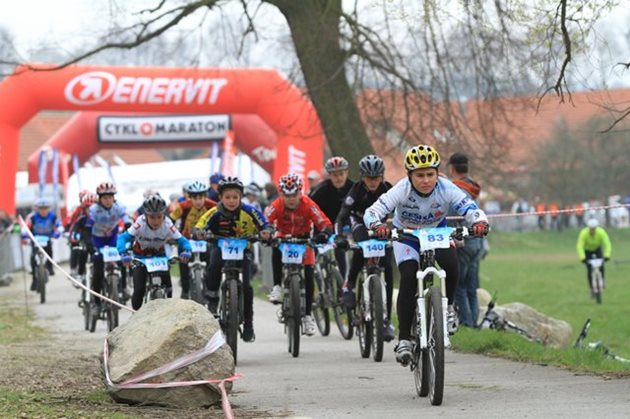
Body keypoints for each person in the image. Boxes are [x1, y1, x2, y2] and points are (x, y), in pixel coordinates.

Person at [363, 145, 490, 365]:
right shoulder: (402, 189)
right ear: (409, 175)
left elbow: (469, 208)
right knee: (409, 275)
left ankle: (449, 308)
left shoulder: (446, 187)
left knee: (451, 264)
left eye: (430, 174)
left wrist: (479, 221)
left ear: (437, 173)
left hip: (435, 232)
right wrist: (377, 225)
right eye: (419, 175)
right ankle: (404, 338)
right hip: (408, 235)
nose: (425, 180)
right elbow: (373, 211)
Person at [195, 177, 271, 342]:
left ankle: (249, 324)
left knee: (247, 286)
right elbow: (201, 224)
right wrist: (199, 231)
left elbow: (264, 223)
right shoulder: (214, 212)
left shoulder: (249, 211)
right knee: (214, 265)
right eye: (227, 197)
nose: (231, 201)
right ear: (221, 198)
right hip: (221, 247)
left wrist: (266, 231)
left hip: (244, 249)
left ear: (241, 197)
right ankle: (213, 297)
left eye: (235, 197)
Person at [335, 155, 395, 341]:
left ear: (382, 176)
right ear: (362, 177)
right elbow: (342, 216)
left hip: (380, 225)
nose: (373, 182)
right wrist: (339, 236)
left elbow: (401, 211)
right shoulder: (355, 191)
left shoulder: (388, 189)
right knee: (362, 248)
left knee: (388, 263)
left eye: (376, 177)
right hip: (359, 222)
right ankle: (349, 285)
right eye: (369, 178)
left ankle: (385, 320)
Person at [265, 173, 333, 336]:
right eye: (287, 195)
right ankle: (277, 287)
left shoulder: (308, 204)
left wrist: (325, 232)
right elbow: (264, 219)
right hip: (284, 238)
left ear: (300, 192)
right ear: (281, 194)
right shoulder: (277, 204)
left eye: (294, 194)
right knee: (275, 247)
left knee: (309, 274)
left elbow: (323, 221)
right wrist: (265, 232)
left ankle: (308, 316)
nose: (291, 199)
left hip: (303, 240)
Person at [118, 194, 192, 310]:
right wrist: (123, 253)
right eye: (152, 217)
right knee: (139, 290)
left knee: (169, 289)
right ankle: (134, 317)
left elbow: (182, 241)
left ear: (164, 215)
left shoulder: (168, 224)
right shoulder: (140, 223)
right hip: (140, 257)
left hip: (159, 257)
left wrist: (187, 251)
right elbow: (123, 238)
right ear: (146, 215)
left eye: (159, 217)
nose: (156, 221)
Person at [447, 152, 484, 328]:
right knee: (471, 287)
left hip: (463, 241)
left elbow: (453, 217)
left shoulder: (456, 190)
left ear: (452, 168)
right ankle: (475, 323)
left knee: (459, 286)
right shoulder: (474, 188)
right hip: (478, 242)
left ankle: (467, 323)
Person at [85, 182, 131, 315]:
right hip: (97, 239)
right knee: (98, 270)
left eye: (110, 197)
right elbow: (88, 229)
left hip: (113, 238)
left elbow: (128, 223)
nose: (108, 200)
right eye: (104, 197)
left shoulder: (118, 207)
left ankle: (123, 287)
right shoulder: (93, 210)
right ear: (99, 198)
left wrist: (128, 238)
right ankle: (97, 302)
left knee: (123, 257)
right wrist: (90, 245)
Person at [169, 180, 217, 299]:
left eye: (201, 197)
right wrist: (170, 235)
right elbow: (170, 221)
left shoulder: (213, 205)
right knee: (184, 265)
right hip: (187, 239)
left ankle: (210, 289)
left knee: (211, 263)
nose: (198, 201)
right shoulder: (183, 206)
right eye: (195, 198)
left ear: (205, 196)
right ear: (190, 197)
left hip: (206, 239)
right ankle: (185, 290)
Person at [309, 156, 355, 279]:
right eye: (335, 175)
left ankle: (344, 284)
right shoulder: (321, 190)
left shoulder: (355, 188)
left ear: (347, 173)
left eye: (341, 174)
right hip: (325, 225)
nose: (339, 178)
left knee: (341, 250)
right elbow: (307, 206)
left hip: (345, 225)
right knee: (313, 249)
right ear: (329, 175)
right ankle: (317, 277)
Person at [22, 198, 61, 290]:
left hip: (47, 237)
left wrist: (58, 232)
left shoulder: (53, 216)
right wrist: (24, 234)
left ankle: (50, 267)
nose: (43, 210)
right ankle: (34, 279)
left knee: (49, 250)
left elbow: (59, 225)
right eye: (41, 208)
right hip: (35, 239)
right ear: (37, 209)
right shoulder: (32, 217)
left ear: (48, 208)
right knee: (33, 257)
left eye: (45, 208)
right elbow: (26, 226)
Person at [576, 218, 612, 295]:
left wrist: (607, 255)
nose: (592, 230)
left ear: (596, 228)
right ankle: (591, 287)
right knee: (589, 269)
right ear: (588, 228)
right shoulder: (584, 233)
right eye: (591, 229)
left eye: (594, 229)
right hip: (587, 251)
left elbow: (607, 244)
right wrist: (582, 258)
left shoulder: (601, 232)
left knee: (601, 265)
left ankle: (602, 280)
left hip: (597, 249)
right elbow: (580, 246)